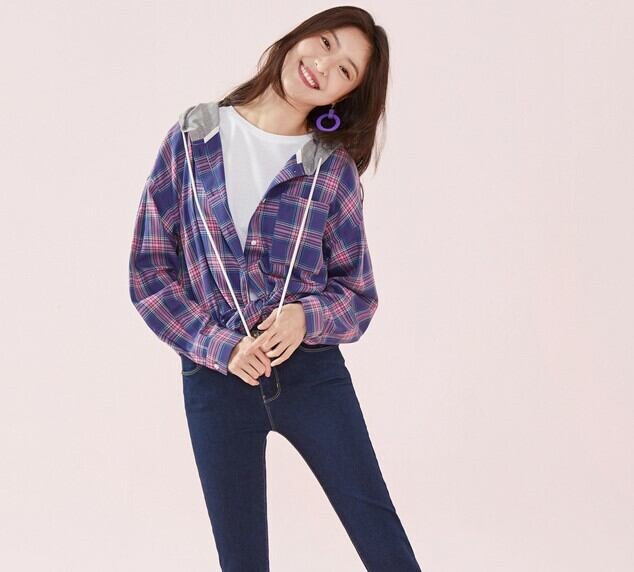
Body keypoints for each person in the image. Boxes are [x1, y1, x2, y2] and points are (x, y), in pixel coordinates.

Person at [128, 6, 423, 571]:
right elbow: (149, 273)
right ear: (298, 38)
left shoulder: (331, 170)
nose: (324, 66)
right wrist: (221, 347)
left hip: (312, 376)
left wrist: (304, 317)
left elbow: (358, 294)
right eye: (325, 43)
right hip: (216, 381)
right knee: (241, 560)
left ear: (345, 96)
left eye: (345, 70)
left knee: (380, 538)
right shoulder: (193, 139)